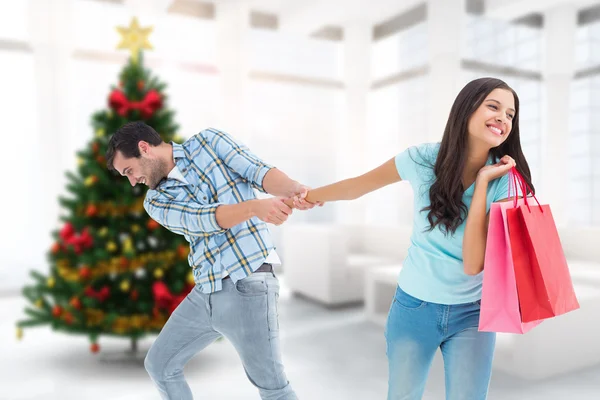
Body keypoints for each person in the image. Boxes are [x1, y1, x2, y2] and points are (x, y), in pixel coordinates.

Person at [295, 77, 533, 399]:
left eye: (510, 114)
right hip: (414, 307)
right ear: (466, 109)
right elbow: (358, 186)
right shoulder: (421, 159)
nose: (503, 119)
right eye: (494, 107)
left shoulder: (504, 180)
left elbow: (473, 263)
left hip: (473, 313)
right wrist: (306, 196)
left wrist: (482, 185)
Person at [106, 121, 317, 400]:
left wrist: (293, 189)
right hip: (205, 292)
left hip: (248, 283)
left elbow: (259, 172)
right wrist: (255, 207)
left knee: (273, 388)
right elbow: (203, 219)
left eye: (129, 171)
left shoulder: (209, 142)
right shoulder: (155, 200)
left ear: (144, 148)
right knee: (159, 364)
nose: (132, 181)